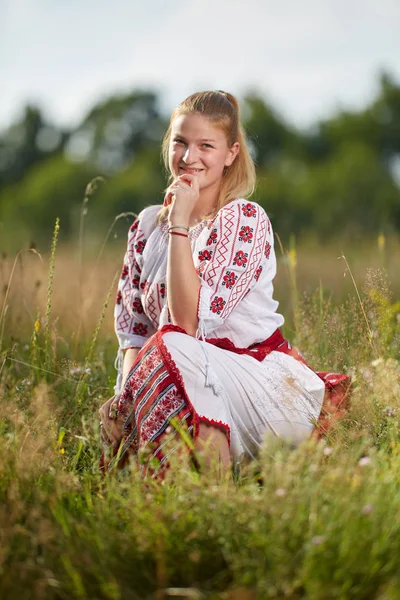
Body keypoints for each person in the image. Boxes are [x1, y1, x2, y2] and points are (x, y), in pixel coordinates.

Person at [99, 90, 348, 477]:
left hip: (266, 390)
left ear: (231, 154)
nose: (188, 156)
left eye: (205, 146)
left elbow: (185, 325)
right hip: (194, 379)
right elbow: (135, 335)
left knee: (173, 347)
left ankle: (215, 498)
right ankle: (177, 510)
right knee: (129, 403)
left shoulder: (244, 219)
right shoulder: (146, 227)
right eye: (180, 142)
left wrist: (180, 223)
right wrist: (124, 397)